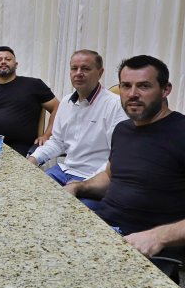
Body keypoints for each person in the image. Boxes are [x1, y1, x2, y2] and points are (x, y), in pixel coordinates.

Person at [65, 55, 185, 280]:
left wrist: (158, 237)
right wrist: (78, 186)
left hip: (148, 251)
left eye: (144, 86)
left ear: (165, 89)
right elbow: (111, 177)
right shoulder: (123, 129)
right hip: (102, 233)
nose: (132, 94)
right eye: (126, 86)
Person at [27, 50, 128, 209]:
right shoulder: (66, 102)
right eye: (74, 68)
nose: (79, 73)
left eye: (85, 68)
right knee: (28, 198)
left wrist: (85, 184)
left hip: (94, 179)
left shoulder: (115, 105)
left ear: (100, 72)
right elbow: (57, 142)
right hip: (64, 171)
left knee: (70, 213)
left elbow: (116, 156)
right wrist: (33, 159)